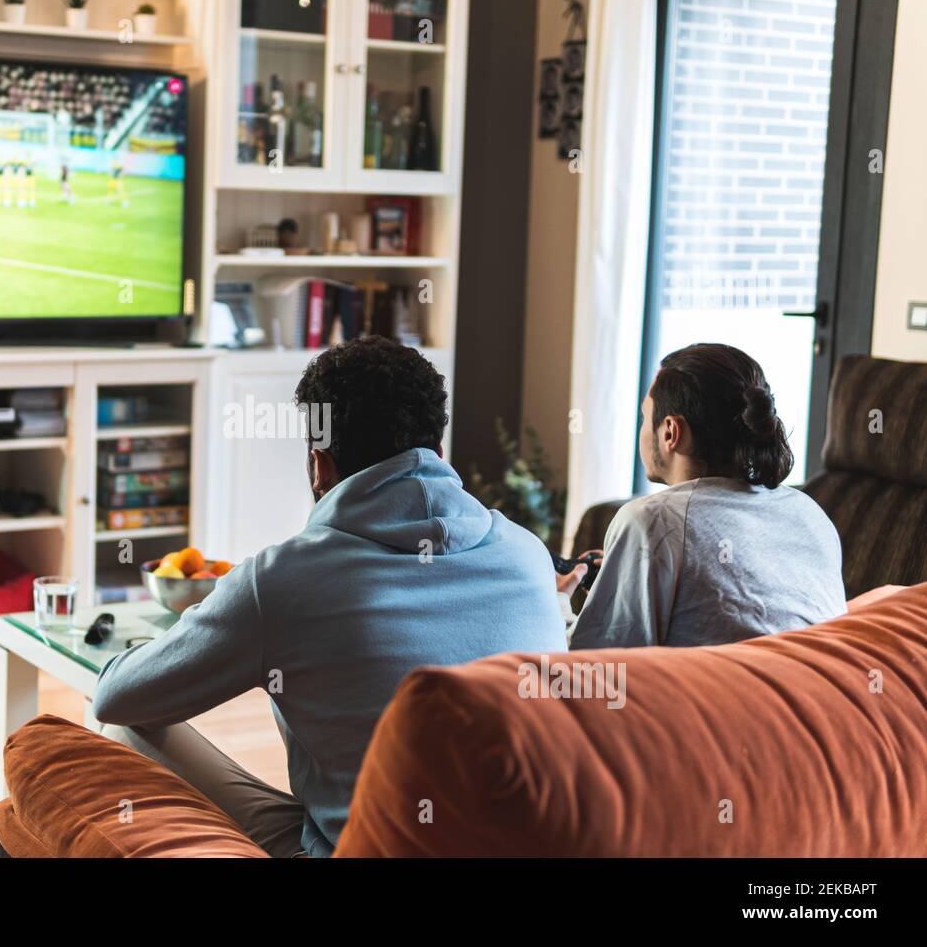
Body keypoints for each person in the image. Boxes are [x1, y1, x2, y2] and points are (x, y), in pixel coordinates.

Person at [93, 336, 567, 857]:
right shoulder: (528, 552)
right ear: (436, 453)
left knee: (130, 731)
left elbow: (116, 698)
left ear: (319, 466)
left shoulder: (283, 578)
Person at [569, 343, 846, 650]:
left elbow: (593, 667)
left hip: (713, 697)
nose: (642, 430)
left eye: (645, 418)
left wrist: (553, 602)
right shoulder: (810, 512)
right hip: (819, 693)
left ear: (671, 432)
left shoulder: (651, 521)